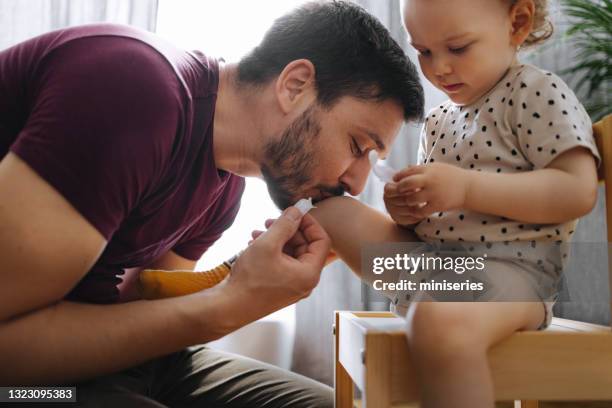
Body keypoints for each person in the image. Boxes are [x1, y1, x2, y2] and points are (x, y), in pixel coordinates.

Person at [0, 1, 424, 406]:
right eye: (357, 145)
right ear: (295, 86)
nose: (355, 182)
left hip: (109, 364)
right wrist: (232, 303)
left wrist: (238, 277)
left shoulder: (224, 189)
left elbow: (144, 315)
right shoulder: (135, 90)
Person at [299, 0, 599, 407]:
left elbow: (576, 191)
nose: (438, 68)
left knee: (438, 317)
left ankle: (436, 315)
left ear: (518, 23)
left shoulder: (535, 91)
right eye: (423, 51)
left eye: (457, 48)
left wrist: (466, 189)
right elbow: (436, 218)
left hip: (514, 274)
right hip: (438, 266)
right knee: (328, 213)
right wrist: (408, 208)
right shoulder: (440, 119)